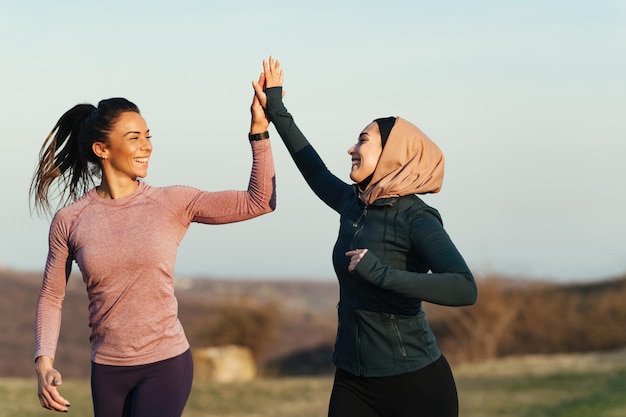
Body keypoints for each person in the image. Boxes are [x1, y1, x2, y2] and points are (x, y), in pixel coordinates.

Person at [30, 76, 276, 417]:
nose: (146, 146)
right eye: (134, 138)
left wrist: (259, 131)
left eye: (148, 136)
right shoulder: (70, 219)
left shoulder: (172, 202)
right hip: (106, 369)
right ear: (102, 150)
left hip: (165, 363)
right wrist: (44, 362)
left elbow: (259, 201)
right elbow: (51, 297)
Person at [253, 56, 477, 417]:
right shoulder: (353, 203)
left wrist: (380, 273)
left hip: (414, 383)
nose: (351, 149)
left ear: (391, 154)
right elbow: (313, 168)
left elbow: (464, 288)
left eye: (363, 140)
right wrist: (276, 108)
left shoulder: (416, 217)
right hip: (352, 378)